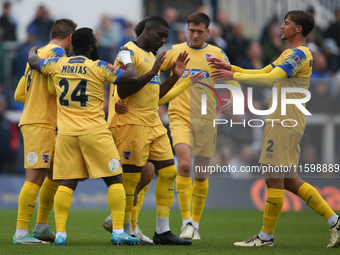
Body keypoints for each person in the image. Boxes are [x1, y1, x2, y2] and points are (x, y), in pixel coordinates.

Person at [208, 10, 340, 247]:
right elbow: (262, 72)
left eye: (286, 23)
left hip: (285, 122)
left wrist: (233, 75)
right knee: (289, 180)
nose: (281, 26)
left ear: (298, 29)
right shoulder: (289, 53)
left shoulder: (299, 54)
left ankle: (265, 238)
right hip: (282, 121)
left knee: (272, 179)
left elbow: (270, 79)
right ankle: (335, 222)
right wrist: (232, 69)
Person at [27, 27, 140, 246]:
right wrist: (126, 58)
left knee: (66, 183)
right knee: (115, 179)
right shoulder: (98, 67)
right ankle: (118, 231)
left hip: (67, 134)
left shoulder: (57, 64)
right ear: (90, 47)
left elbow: (33, 61)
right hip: (95, 132)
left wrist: (34, 49)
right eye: (95, 42)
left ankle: (60, 233)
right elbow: (132, 77)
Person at [107, 15, 192, 246]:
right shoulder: (127, 52)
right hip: (132, 123)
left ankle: (162, 231)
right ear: (147, 30)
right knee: (132, 178)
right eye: (160, 35)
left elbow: (156, 95)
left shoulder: (152, 56)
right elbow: (123, 91)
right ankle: (125, 230)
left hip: (153, 122)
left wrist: (174, 77)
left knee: (169, 171)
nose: (163, 40)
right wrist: (154, 71)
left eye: (166, 37)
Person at [160, 12, 237, 240]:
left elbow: (232, 78)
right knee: (184, 166)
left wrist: (234, 98)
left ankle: (196, 224)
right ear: (187, 29)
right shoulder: (175, 51)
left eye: (199, 32)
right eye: (191, 30)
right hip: (179, 115)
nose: (194, 35)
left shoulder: (216, 53)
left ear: (208, 32)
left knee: (201, 174)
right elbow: (155, 72)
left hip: (206, 118)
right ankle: (187, 223)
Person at [12, 19, 77, 245]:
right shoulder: (59, 54)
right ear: (70, 37)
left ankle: (41, 227)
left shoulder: (37, 54)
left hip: (39, 120)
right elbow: (53, 87)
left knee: (55, 175)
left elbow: (20, 94)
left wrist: (37, 99)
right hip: (40, 123)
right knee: (35, 178)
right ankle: (21, 233)